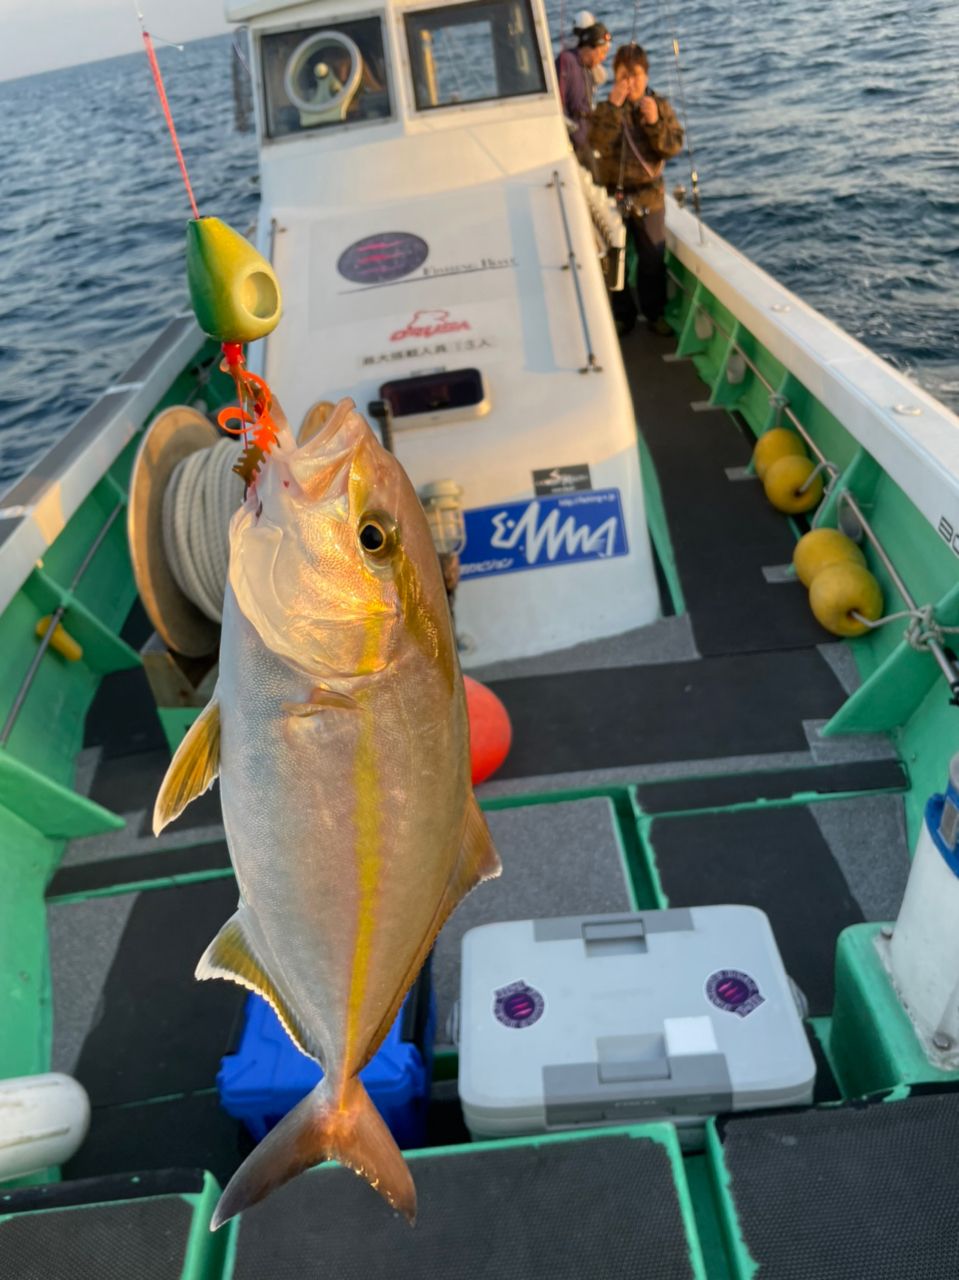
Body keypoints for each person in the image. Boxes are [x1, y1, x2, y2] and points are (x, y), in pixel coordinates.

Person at [589, 44, 684, 336]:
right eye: (624, 75)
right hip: (613, 196)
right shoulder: (605, 110)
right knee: (613, 261)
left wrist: (655, 122)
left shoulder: (659, 106)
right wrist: (614, 108)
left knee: (652, 260)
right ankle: (622, 316)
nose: (631, 82)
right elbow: (596, 146)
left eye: (637, 75)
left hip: (649, 196)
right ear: (615, 77)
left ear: (647, 75)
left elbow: (672, 147)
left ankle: (655, 313)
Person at [555, 21, 612, 174]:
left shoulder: (588, 69)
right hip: (575, 141)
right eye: (602, 52)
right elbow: (557, 103)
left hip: (588, 136)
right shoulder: (566, 61)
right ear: (590, 48)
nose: (603, 58)